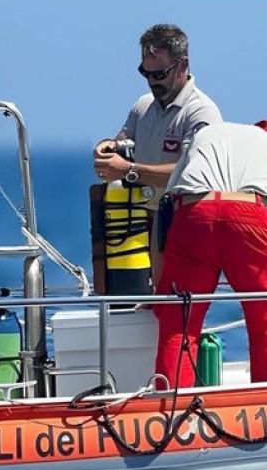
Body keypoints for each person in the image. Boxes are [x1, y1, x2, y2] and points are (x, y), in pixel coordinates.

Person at [92, 24, 222, 283]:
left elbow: (192, 175)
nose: (152, 81)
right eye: (145, 73)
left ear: (182, 64)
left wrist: (128, 171)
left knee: (174, 302)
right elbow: (122, 141)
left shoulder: (201, 113)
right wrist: (106, 147)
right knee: (143, 301)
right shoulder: (143, 106)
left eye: (160, 73)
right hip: (143, 220)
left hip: (183, 225)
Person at [154, 121, 267, 388]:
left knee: (178, 326)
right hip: (248, 214)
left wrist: (160, 285)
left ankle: (171, 411)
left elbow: (168, 203)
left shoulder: (205, 134)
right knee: (263, 320)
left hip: (193, 215)